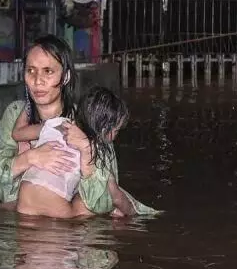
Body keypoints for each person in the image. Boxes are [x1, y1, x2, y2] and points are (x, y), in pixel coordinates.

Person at [18, 86, 160, 218]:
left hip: (23, 204)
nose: (116, 136)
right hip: (57, 213)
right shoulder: (94, 149)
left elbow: (17, 134)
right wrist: (135, 214)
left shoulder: (57, 123)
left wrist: (29, 105)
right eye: (116, 131)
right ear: (105, 129)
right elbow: (115, 196)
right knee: (99, 197)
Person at [0, 35, 80, 214]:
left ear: (66, 76)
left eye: (48, 71)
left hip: (64, 219)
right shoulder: (15, 114)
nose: (38, 81)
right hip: (18, 218)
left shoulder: (82, 120)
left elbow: (102, 181)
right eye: (31, 71)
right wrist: (31, 158)